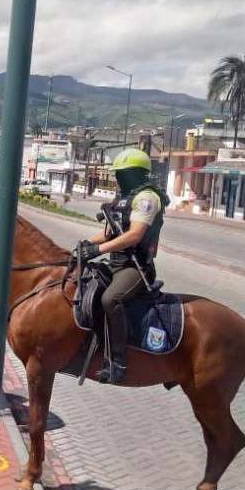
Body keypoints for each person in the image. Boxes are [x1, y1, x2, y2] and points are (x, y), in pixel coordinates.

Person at [74, 149, 169, 384]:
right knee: (87, 286)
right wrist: (85, 245)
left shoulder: (146, 198)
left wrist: (97, 251)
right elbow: (109, 233)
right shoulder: (124, 197)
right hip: (115, 262)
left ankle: (118, 361)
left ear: (137, 174)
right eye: (118, 174)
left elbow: (134, 235)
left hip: (135, 268)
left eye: (123, 174)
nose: (119, 178)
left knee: (110, 299)